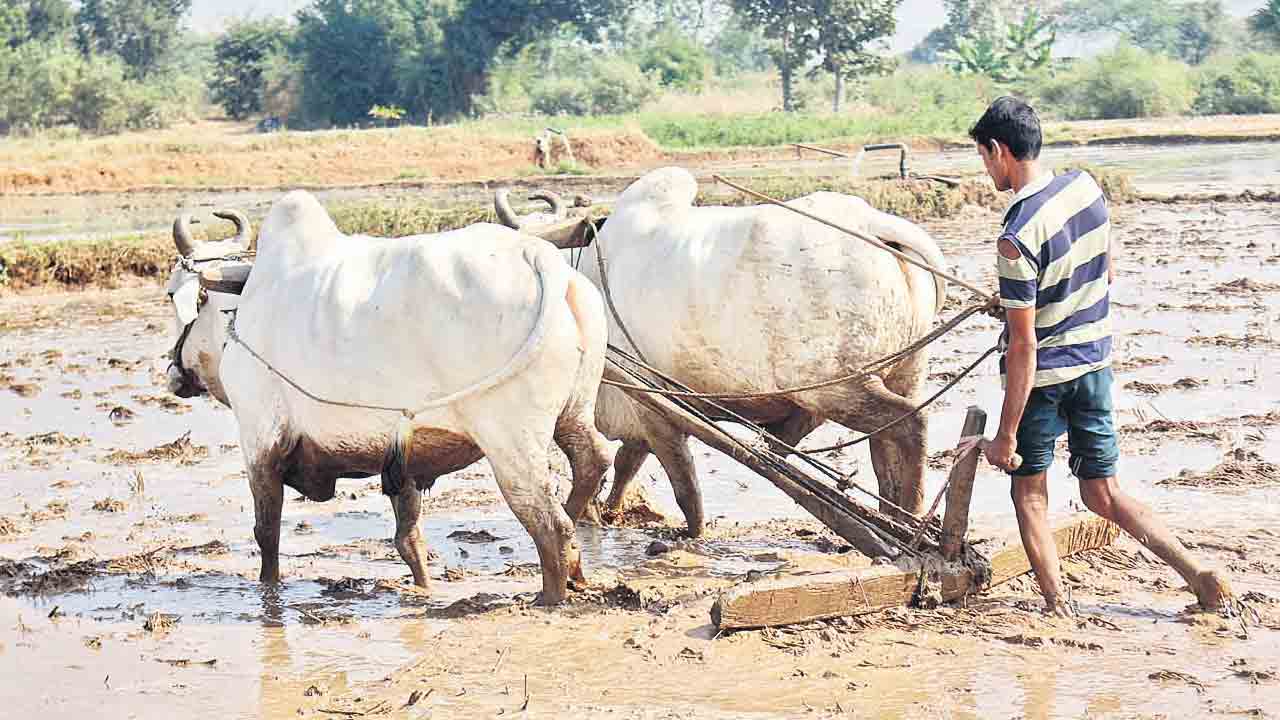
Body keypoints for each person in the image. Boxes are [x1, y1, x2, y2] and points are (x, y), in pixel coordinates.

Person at [969, 96, 1233, 616]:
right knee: (1104, 494)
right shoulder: (1085, 187)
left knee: (1030, 495)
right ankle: (1198, 574)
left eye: (983, 156)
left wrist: (1003, 437)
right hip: (1095, 367)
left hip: (1045, 379)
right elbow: (1104, 273)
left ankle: (1057, 608)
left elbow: (1024, 348)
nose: (985, 169)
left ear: (999, 151)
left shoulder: (1015, 237)